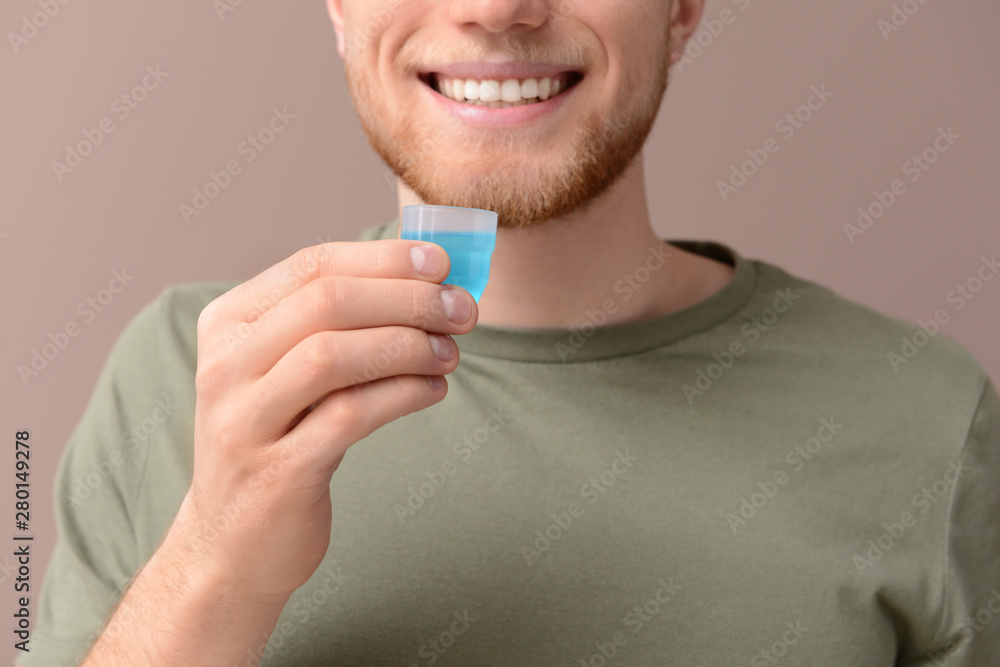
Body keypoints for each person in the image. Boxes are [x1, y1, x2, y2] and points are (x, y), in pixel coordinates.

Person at [20, 0, 999, 665]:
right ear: (338, 5)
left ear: (683, 5)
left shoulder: (927, 419)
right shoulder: (183, 374)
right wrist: (215, 566)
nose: (497, 3)